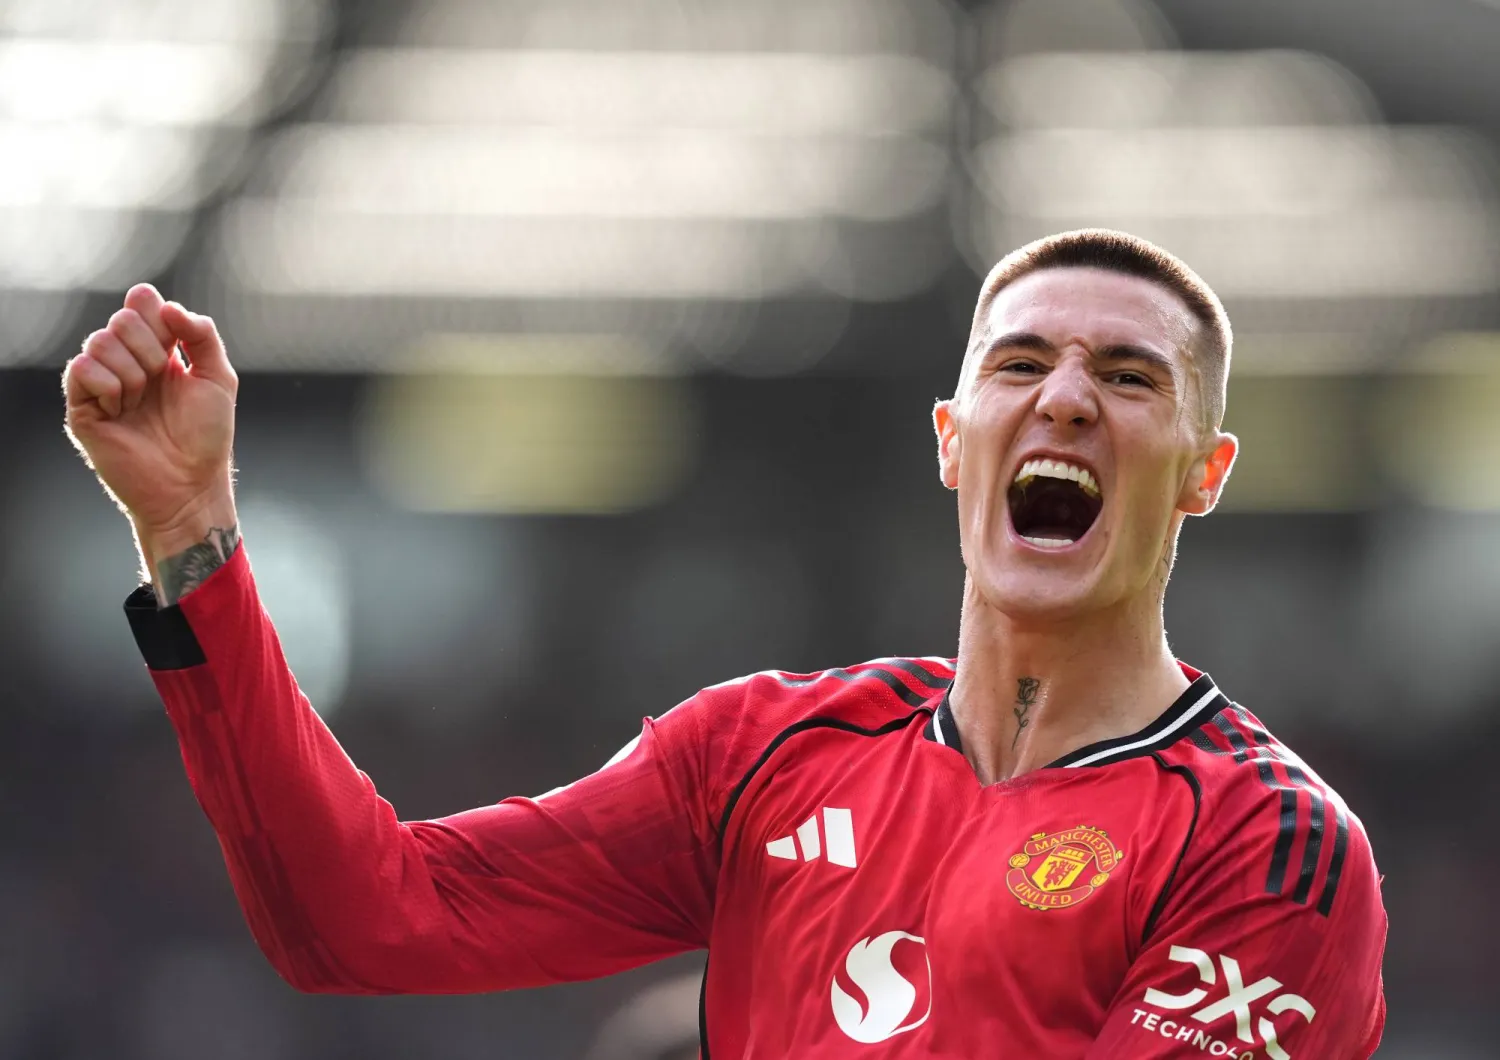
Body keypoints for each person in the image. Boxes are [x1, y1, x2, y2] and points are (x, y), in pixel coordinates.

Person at [63, 229, 1386, 1058]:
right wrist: (191, 533)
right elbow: (363, 919)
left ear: (1203, 473)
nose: (1068, 399)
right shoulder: (764, 754)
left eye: (1131, 376)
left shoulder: (1267, 845)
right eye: (1020, 363)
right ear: (952, 441)